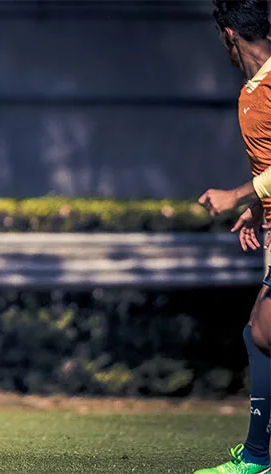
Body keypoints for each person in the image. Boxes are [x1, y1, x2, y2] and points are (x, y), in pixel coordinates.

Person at [195, 1, 271, 472]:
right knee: (260, 333)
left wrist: (237, 194)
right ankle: (258, 455)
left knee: (262, 330)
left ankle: (258, 456)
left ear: (228, 35)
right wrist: (256, 205)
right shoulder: (253, 88)